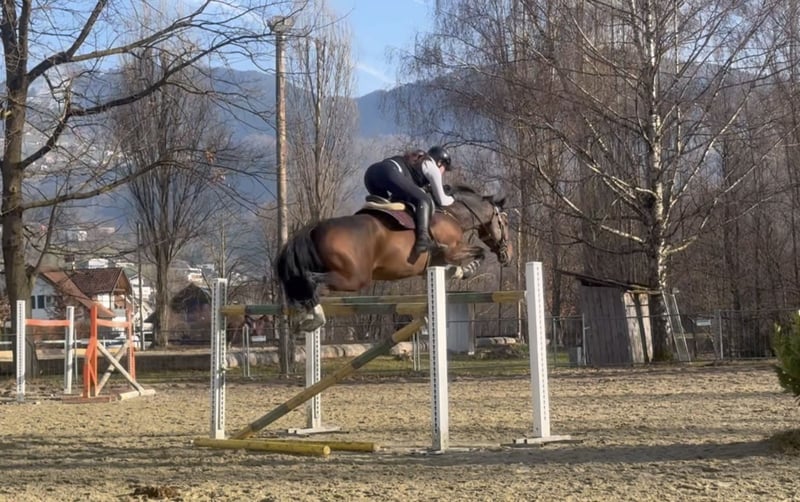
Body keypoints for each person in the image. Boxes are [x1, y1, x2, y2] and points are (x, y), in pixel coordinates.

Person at [364, 145, 455, 253]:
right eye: (445, 168)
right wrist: (455, 198)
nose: (444, 172)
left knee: (388, 212)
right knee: (425, 200)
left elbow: (410, 189)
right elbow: (442, 200)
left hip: (370, 175)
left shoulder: (415, 163)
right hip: (389, 172)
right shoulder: (431, 166)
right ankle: (423, 239)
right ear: (439, 162)